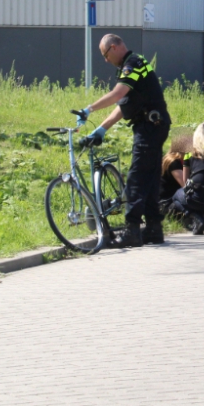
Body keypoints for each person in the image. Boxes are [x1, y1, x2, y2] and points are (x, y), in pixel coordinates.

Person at [79, 34, 170, 247]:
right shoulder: (134, 67)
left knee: (137, 178)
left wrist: (89, 109)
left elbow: (117, 94)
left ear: (113, 48)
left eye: (104, 55)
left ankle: (132, 231)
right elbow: (124, 105)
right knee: (150, 178)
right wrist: (102, 129)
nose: (105, 60)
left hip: (150, 127)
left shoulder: (133, 65)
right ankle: (154, 229)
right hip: (154, 125)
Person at [158, 133, 192, 219]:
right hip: (166, 204)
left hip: (175, 200)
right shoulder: (172, 162)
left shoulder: (184, 160)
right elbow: (185, 184)